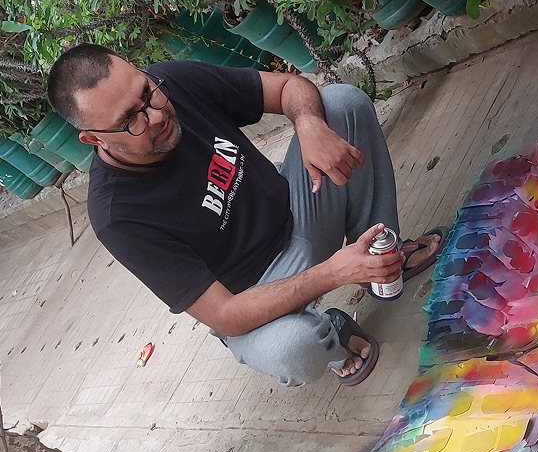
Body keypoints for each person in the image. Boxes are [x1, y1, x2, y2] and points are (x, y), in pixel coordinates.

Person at [46, 43, 443, 387]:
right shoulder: (117, 216)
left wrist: (307, 123)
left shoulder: (172, 82)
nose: (156, 115)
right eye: (130, 119)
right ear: (94, 138)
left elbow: (288, 87)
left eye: (147, 93)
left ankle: (381, 259)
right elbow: (225, 314)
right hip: (256, 295)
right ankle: (334, 339)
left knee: (341, 104)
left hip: (298, 210)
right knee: (292, 351)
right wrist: (333, 273)